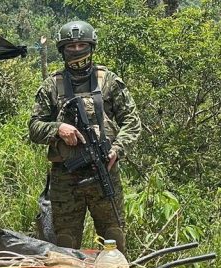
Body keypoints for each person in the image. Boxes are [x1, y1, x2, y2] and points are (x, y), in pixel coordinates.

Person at [29, 20, 141, 251]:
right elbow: (34, 127)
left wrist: (117, 149)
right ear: (62, 50)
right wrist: (58, 129)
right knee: (65, 243)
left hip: (104, 171)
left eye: (82, 45)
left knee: (114, 239)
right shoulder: (52, 86)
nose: (77, 50)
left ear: (91, 46)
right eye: (71, 46)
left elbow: (132, 122)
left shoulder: (108, 81)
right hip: (66, 178)